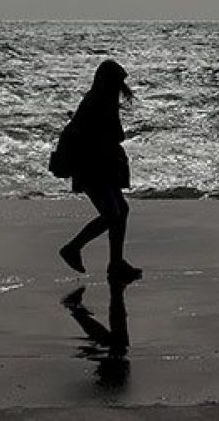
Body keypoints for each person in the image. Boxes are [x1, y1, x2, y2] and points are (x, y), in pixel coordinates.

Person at [58, 60, 142, 282]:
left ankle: (116, 263)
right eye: (118, 82)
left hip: (100, 167)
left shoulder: (97, 99)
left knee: (120, 210)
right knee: (113, 214)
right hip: (92, 168)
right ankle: (73, 248)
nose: (121, 87)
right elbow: (116, 135)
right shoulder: (99, 102)